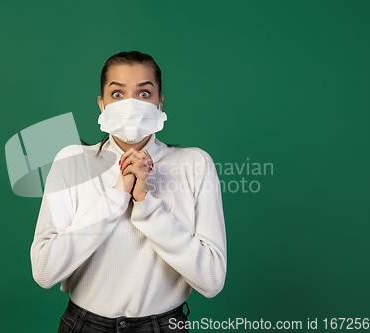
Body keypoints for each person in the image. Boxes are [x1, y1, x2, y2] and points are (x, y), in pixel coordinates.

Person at [30, 51, 227, 333]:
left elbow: (211, 279)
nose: (132, 105)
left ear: (160, 102)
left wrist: (146, 204)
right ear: (102, 104)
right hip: (85, 326)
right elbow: (45, 271)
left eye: (144, 94)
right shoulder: (71, 161)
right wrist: (117, 196)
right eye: (118, 94)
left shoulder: (194, 164)